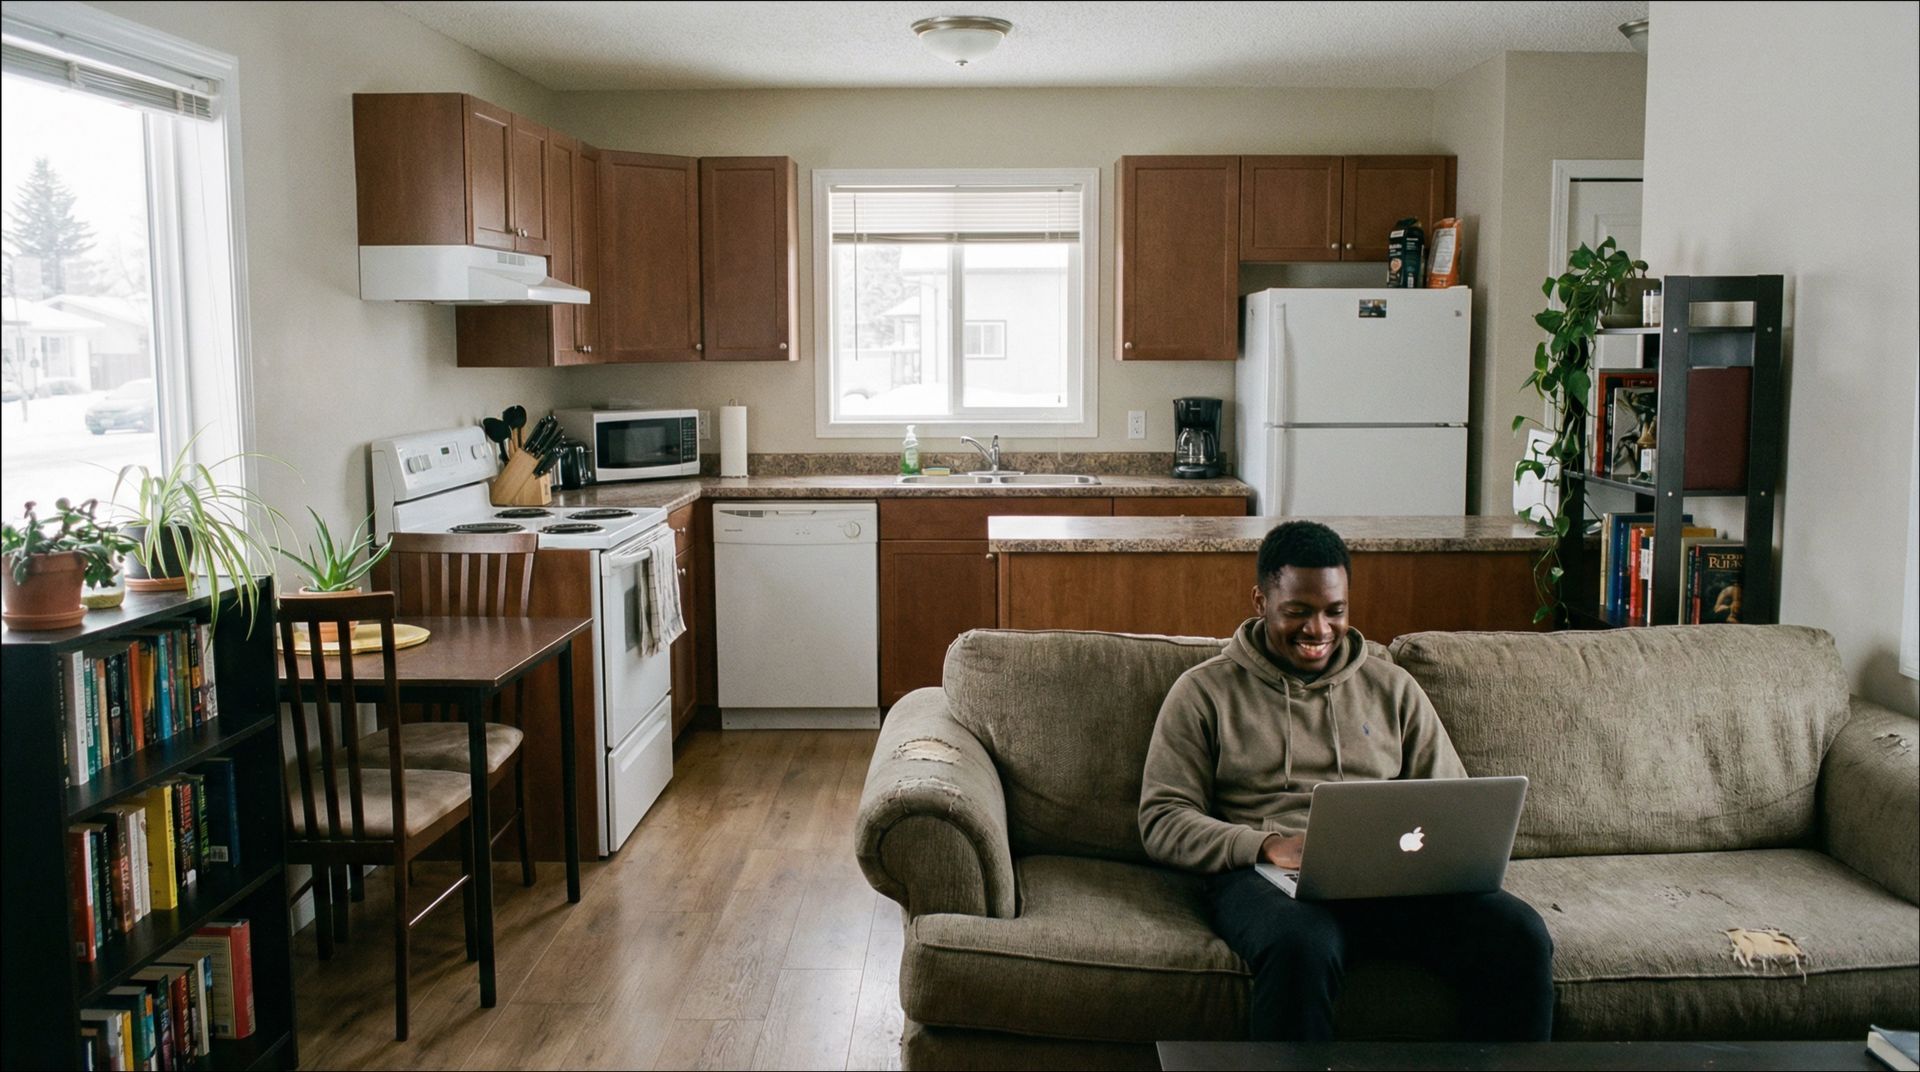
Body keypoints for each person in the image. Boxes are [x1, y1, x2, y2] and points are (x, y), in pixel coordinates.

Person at [1137, 520, 1554, 1042]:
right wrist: (1266, 845)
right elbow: (1161, 819)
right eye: (1298, 612)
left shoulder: (1392, 687)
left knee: (1519, 933)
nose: (1319, 630)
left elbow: (1453, 801)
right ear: (1260, 600)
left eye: (1335, 611)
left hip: (1395, 884)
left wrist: (1435, 858)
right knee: (1301, 946)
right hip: (1266, 882)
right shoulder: (1204, 692)